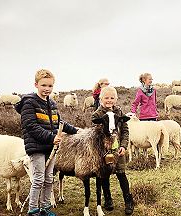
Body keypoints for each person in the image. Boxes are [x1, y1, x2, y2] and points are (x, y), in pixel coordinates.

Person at [15, 69, 78, 216]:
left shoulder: (52, 104)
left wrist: (76, 130)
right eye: (44, 85)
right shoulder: (29, 103)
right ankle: (32, 210)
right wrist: (51, 137)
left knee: (49, 178)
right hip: (36, 147)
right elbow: (31, 126)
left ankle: (45, 208)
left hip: (51, 147)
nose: (47, 89)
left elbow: (58, 122)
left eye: (50, 86)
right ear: (36, 84)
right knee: (38, 178)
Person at [92, 86, 134, 215]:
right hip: (104, 151)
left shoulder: (119, 112)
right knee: (104, 175)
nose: (109, 100)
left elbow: (125, 130)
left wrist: (123, 146)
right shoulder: (97, 114)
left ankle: (128, 201)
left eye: (112, 98)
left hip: (118, 150)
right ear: (101, 99)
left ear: (116, 99)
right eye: (106, 98)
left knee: (121, 174)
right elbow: (95, 133)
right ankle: (108, 199)